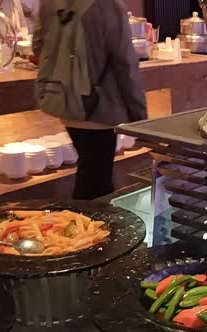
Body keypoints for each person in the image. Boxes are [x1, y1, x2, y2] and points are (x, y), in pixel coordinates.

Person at [34, 0, 147, 200]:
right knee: (96, 183)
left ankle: (82, 217)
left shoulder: (50, 2)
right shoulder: (109, 4)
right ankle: (83, 219)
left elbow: (38, 46)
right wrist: (140, 115)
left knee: (91, 173)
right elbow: (125, 63)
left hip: (64, 100)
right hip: (99, 107)